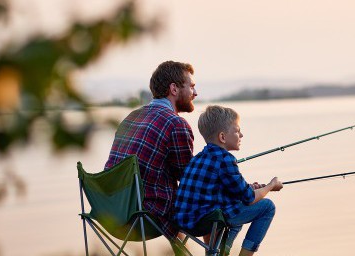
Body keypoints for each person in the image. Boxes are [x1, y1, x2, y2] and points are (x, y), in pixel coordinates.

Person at [104, 60, 197, 239]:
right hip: (144, 218)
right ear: (174, 89)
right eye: (191, 87)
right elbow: (189, 180)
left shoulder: (132, 117)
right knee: (212, 204)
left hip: (111, 213)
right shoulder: (176, 123)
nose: (195, 93)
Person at [174, 105, 283, 256]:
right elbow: (249, 198)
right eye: (237, 131)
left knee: (235, 204)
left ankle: (221, 252)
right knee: (267, 207)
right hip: (206, 221)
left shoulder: (198, 158)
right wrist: (270, 186)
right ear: (223, 137)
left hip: (184, 221)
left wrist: (251, 187)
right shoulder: (226, 159)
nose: (241, 135)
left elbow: (226, 188)